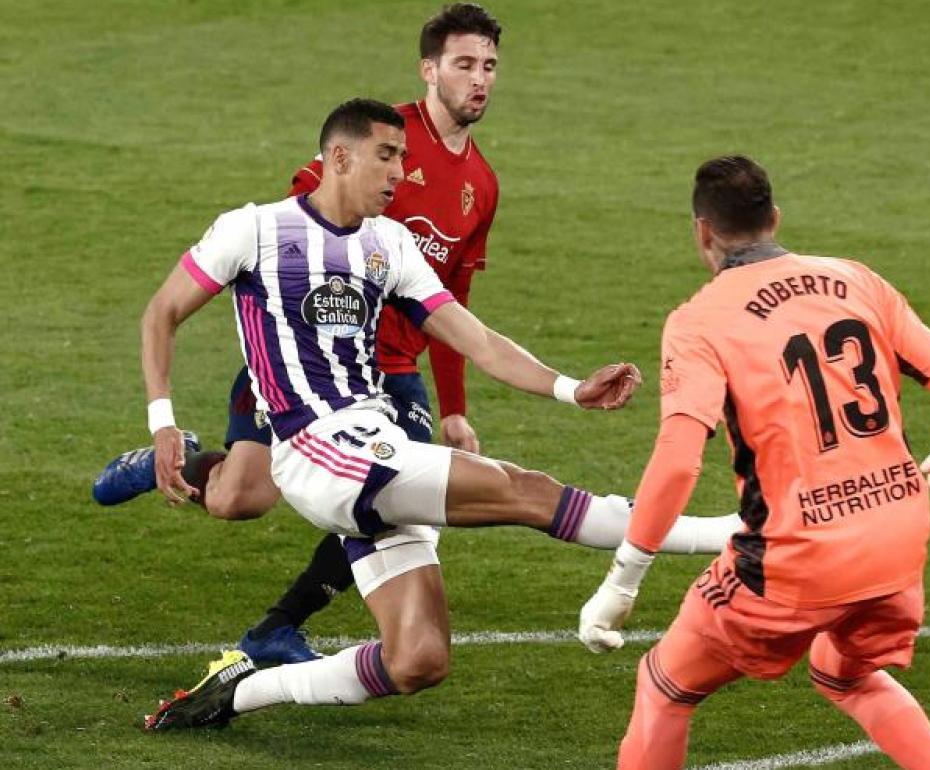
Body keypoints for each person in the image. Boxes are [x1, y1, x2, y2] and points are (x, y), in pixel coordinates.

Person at [141, 99, 737, 731]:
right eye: (386, 156)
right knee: (526, 492)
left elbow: (476, 339)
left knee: (418, 661)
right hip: (317, 449)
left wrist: (570, 389)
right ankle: (736, 534)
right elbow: (162, 312)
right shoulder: (254, 229)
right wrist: (162, 420)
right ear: (339, 157)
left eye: (402, 156)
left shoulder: (389, 243)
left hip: (372, 441)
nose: (400, 172)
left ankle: (239, 692)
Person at [576, 156, 930, 770]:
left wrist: (623, 580)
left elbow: (678, 462)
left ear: (702, 232)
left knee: (665, 686)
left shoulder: (700, 322)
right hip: (897, 545)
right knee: (844, 673)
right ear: (775, 218)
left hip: (793, 561)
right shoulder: (857, 280)